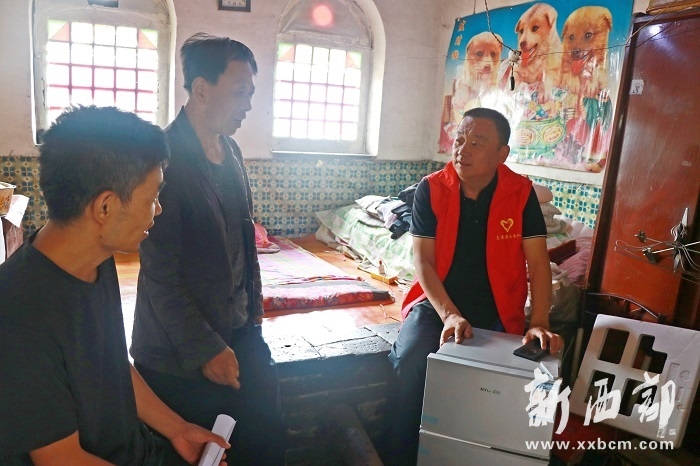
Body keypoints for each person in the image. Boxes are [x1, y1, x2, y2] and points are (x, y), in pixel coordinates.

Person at [0, 105, 230, 465]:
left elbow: (110, 364)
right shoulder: (18, 314)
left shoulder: (95, 257)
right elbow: (62, 460)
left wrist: (177, 429)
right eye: (152, 197)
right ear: (105, 207)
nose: (158, 209)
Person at [130, 33, 287, 465]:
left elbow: (242, 244)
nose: (248, 105)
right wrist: (204, 348)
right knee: (200, 453)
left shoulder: (230, 150)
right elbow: (160, 274)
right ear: (201, 89)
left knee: (267, 439)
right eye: (239, 92)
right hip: (179, 350)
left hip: (240, 329)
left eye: (251, 93)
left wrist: (252, 314)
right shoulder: (163, 159)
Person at [381, 107, 563, 465]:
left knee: (505, 378)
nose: (462, 149)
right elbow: (423, 263)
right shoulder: (431, 188)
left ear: (501, 154)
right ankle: (399, 455)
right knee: (410, 360)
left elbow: (539, 263)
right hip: (437, 304)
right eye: (459, 139)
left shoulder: (520, 192)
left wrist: (540, 321)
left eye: (476, 142)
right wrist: (449, 315)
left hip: (498, 307)